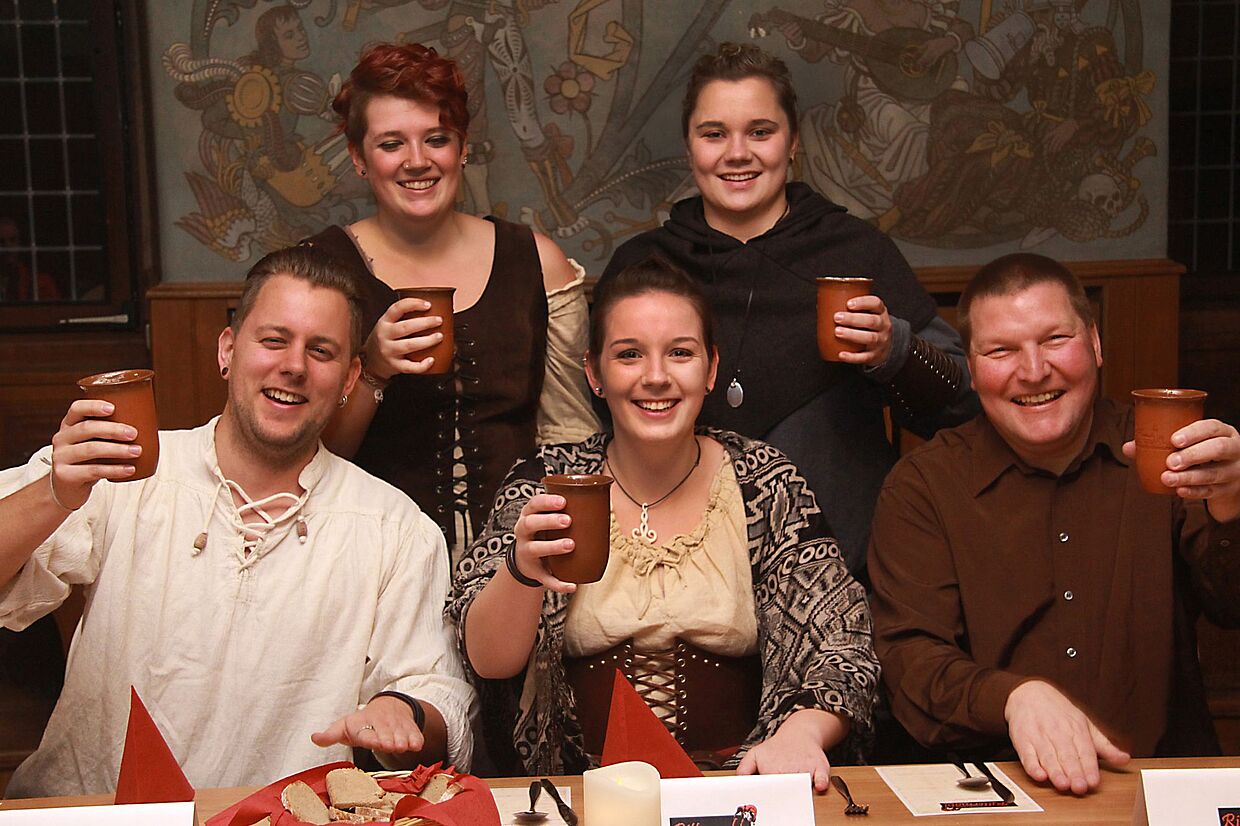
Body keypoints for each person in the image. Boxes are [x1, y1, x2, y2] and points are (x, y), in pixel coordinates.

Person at [0, 246, 476, 797]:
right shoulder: (122, 474)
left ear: (349, 379)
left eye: (320, 351)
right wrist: (56, 493)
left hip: (280, 819)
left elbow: (436, 691)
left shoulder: (394, 528)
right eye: (273, 340)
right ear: (228, 350)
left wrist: (405, 710)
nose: (293, 366)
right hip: (94, 810)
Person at [449, 256, 878, 788]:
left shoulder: (765, 484)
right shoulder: (544, 483)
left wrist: (801, 733)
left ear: (711, 369)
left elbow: (843, 644)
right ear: (594, 374)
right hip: (582, 795)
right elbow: (490, 663)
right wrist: (521, 571)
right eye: (629, 355)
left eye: (680, 353)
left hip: (740, 789)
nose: (656, 377)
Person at [868, 252, 1240, 796]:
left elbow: (1232, 607)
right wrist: (1013, 698)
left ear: (1095, 344)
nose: (1035, 370)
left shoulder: (1166, 453)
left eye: (1054, 340)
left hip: (1160, 785)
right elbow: (910, 662)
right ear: (971, 369)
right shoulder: (922, 487)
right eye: (1001, 350)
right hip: (996, 791)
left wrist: (1231, 504)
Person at [599, 42, 976, 574]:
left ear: (793, 141)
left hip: (842, 572)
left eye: (760, 131)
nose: (737, 153)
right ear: (689, 148)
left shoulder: (856, 251)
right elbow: (601, 425)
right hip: (679, 577)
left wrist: (895, 350)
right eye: (714, 134)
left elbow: (964, 404)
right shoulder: (644, 267)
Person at [305, 41, 598, 558]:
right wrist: (372, 368)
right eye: (391, 144)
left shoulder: (537, 261)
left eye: (436, 139)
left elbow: (569, 433)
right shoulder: (318, 271)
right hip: (368, 558)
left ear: (462, 147)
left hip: (519, 559)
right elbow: (303, 460)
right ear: (358, 158)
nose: (417, 162)